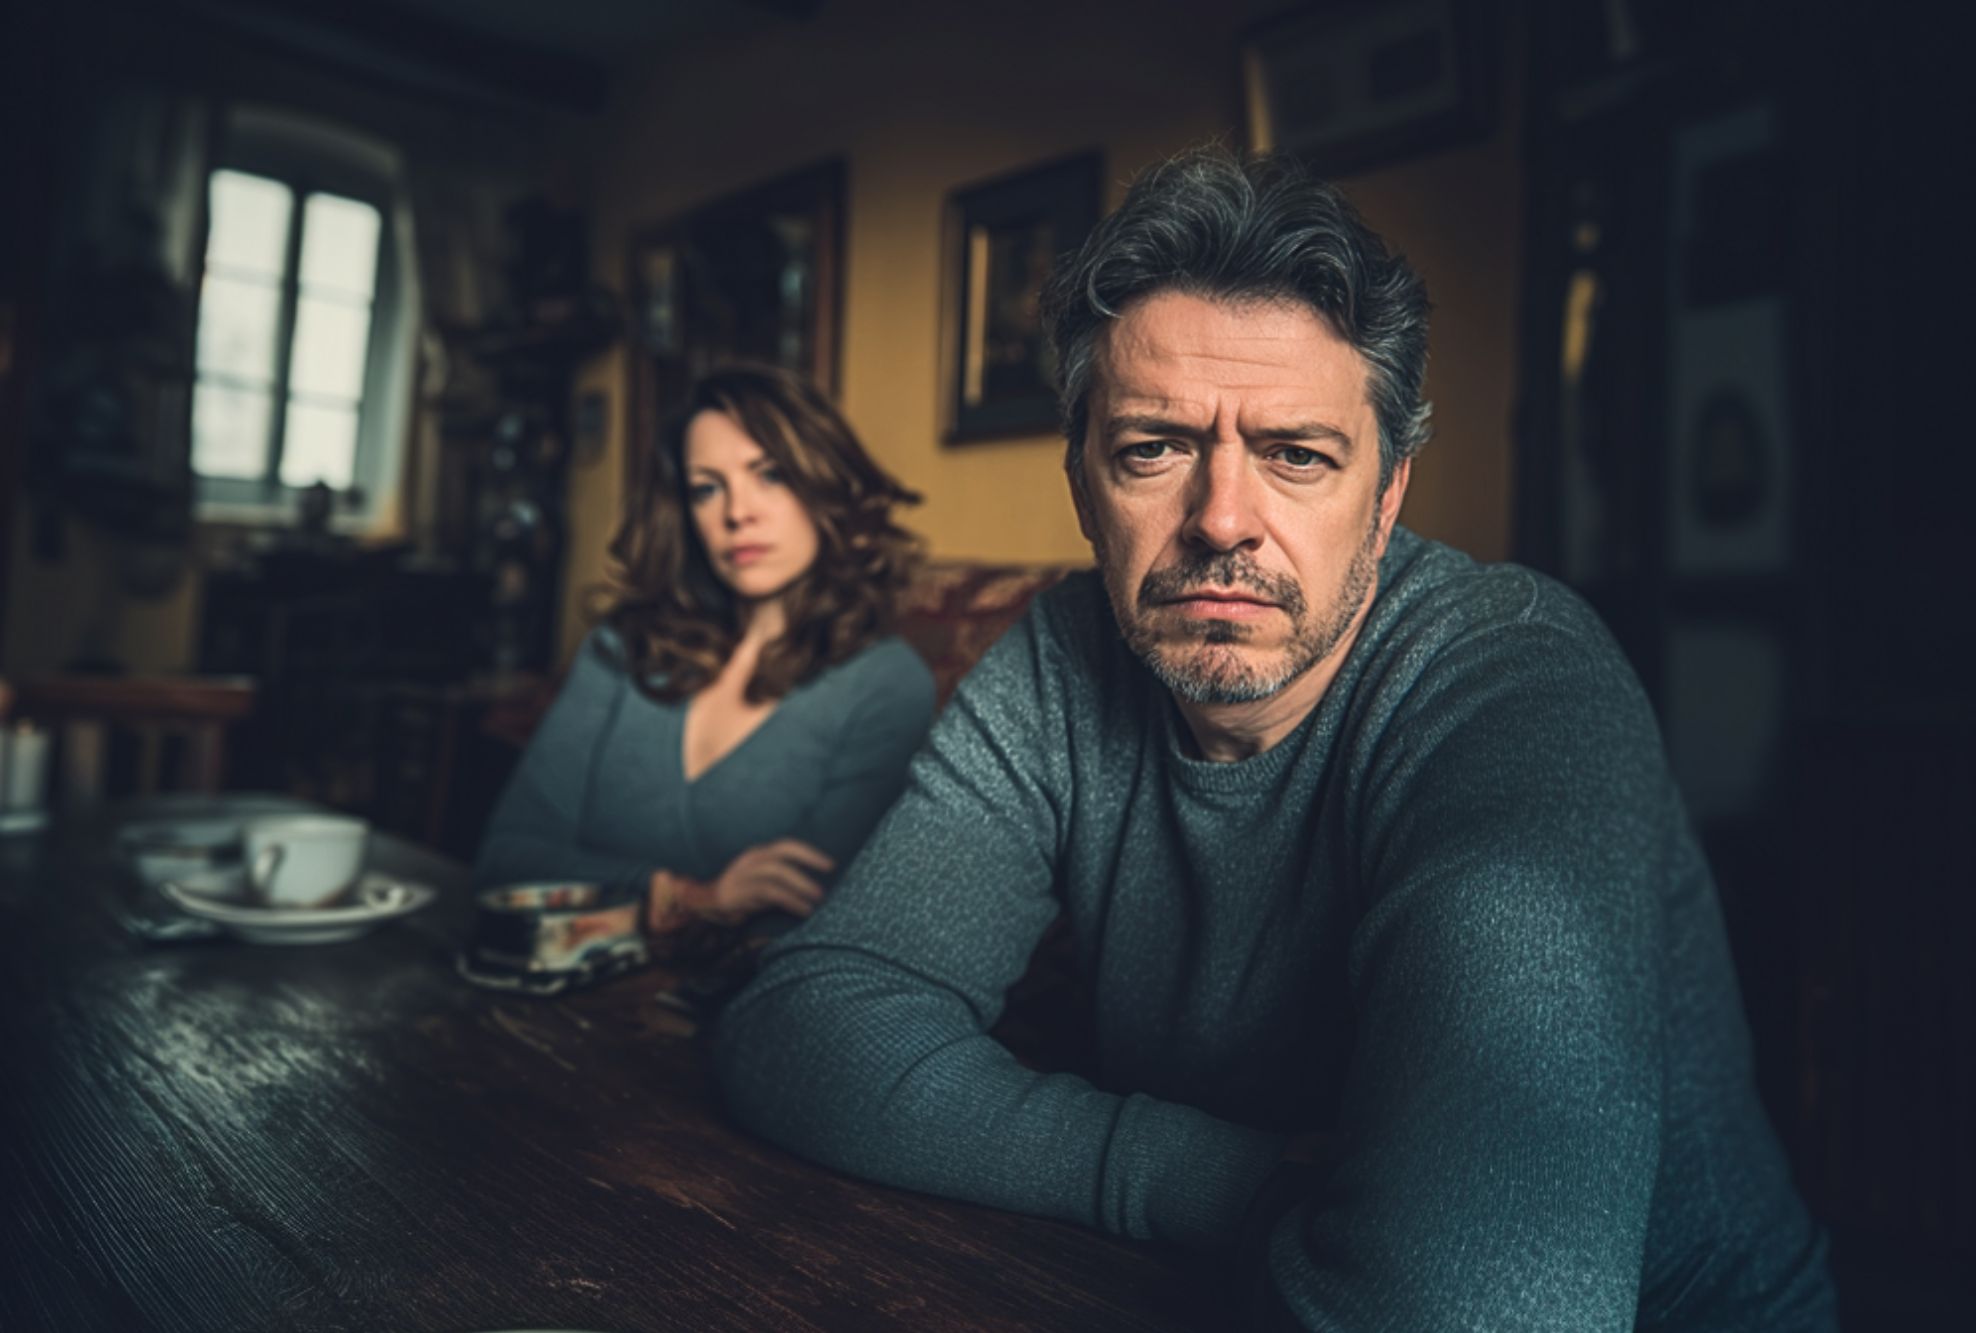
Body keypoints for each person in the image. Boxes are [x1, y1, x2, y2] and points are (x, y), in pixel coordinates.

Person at [710, 152, 1836, 1330]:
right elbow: (806, 1026)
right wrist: (1214, 1179)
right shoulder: (1064, 654)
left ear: (1386, 495)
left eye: (1296, 453)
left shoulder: (1519, 684)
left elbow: (1470, 1314)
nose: (1221, 522)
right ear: (1082, 483)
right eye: (1151, 448)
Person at [473, 364, 936, 955]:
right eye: (706, 488)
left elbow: (804, 925)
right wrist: (690, 897)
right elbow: (506, 863)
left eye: (769, 475)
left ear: (825, 486)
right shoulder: (623, 649)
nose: (737, 513)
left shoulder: (886, 684)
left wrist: (623, 896)